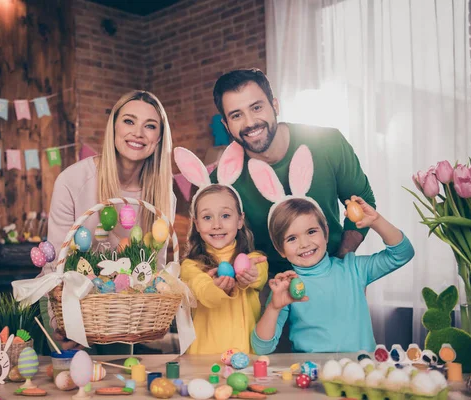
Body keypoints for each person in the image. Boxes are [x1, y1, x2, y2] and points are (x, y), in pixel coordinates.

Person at [43, 90, 176, 352]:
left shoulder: (163, 195)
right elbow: (54, 265)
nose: (138, 132)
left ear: (158, 138)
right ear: (113, 127)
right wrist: (61, 321)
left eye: (150, 126)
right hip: (72, 312)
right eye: (129, 121)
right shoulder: (73, 181)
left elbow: (155, 269)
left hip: (128, 320)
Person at [247, 148, 414, 353]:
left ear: (325, 233)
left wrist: (376, 221)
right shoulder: (287, 286)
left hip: (361, 373)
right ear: (280, 249)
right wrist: (274, 308)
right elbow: (261, 347)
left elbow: (402, 253)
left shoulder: (353, 269)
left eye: (311, 231)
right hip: (313, 376)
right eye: (291, 238)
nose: (304, 243)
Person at [211, 68, 376, 275]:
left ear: (275, 105)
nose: (250, 122)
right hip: (268, 283)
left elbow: (363, 201)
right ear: (226, 125)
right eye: (236, 115)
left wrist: (339, 264)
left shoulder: (328, 143)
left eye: (256, 107)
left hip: (333, 269)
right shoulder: (221, 180)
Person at [175, 143, 268, 354]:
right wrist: (217, 287)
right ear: (197, 225)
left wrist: (251, 275)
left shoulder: (254, 259)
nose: (216, 224)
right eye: (207, 217)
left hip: (246, 359)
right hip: (204, 362)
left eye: (225, 215)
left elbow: (259, 275)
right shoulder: (191, 266)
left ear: (240, 220)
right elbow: (202, 290)